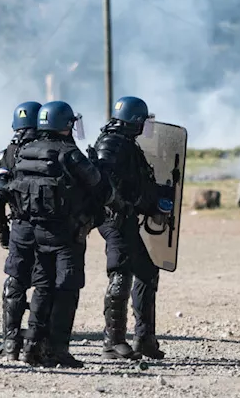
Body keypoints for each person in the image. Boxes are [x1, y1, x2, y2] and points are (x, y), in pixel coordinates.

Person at [6, 100, 109, 368]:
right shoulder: (69, 154)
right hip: (66, 234)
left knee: (42, 287)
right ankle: (58, 349)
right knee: (67, 289)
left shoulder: (25, 150)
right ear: (65, 124)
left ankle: (31, 346)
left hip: (35, 231)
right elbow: (99, 186)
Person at [94, 96, 175, 360]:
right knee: (120, 274)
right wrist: (137, 203)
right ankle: (112, 342)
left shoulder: (125, 143)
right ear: (135, 120)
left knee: (146, 271)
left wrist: (156, 199)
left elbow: (135, 183)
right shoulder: (111, 144)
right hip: (115, 219)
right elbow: (107, 185)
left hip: (126, 216)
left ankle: (145, 340)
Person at [0, 101, 41, 360]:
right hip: (48, 226)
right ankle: (36, 343)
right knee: (45, 282)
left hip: (19, 226)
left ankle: (9, 343)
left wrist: (2, 231)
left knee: (15, 281)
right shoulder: (47, 150)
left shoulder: (6, 153)